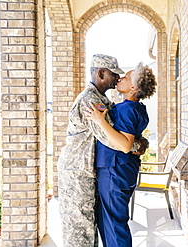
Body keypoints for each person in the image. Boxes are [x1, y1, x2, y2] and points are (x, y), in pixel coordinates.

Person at [57, 54, 147, 247]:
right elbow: (113, 140)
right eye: (115, 74)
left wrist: (139, 141)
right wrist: (139, 145)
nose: (117, 78)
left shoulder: (103, 100)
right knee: (80, 233)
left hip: (91, 171)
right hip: (76, 173)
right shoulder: (90, 100)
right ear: (101, 73)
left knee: (96, 227)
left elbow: (121, 130)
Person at [85, 62, 157, 247]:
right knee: (109, 222)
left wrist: (101, 122)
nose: (120, 78)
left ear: (133, 88)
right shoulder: (135, 108)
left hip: (115, 171)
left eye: (126, 77)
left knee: (114, 224)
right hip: (121, 170)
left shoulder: (128, 109)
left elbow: (125, 145)